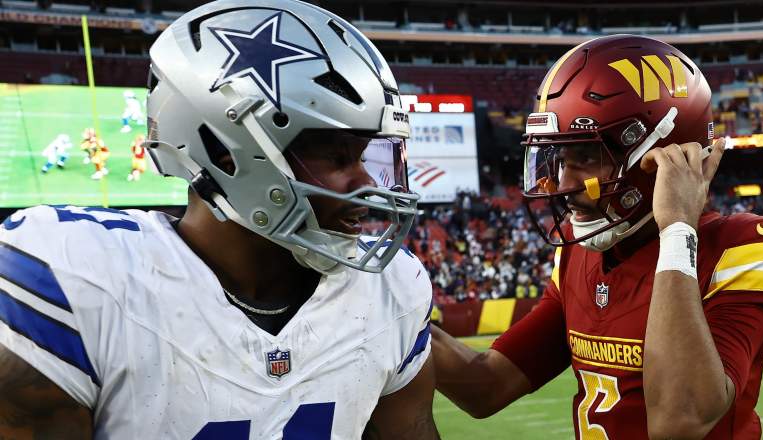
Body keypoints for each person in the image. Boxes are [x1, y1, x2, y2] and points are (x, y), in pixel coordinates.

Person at [0, 1, 439, 439]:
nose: (365, 183)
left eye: (364, 156)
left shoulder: (389, 289)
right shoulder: (78, 278)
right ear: (227, 155)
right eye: (336, 156)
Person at [432, 34, 763, 439]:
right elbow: (487, 386)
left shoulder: (740, 250)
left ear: (660, 155)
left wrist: (677, 232)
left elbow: (680, 420)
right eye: (560, 158)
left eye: (584, 157)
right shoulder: (579, 251)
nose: (563, 181)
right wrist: (393, 313)